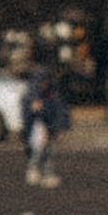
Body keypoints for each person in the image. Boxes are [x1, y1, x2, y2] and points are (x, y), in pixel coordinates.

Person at [21, 58, 70, 188]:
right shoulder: (36, 88)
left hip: (49, 121)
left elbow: (60, 108)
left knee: (49, 149)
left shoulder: (53, 90)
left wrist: (61, 126)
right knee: (39, 147)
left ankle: (45, 172)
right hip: (40, 122)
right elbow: (32, 107)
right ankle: (35, 170)